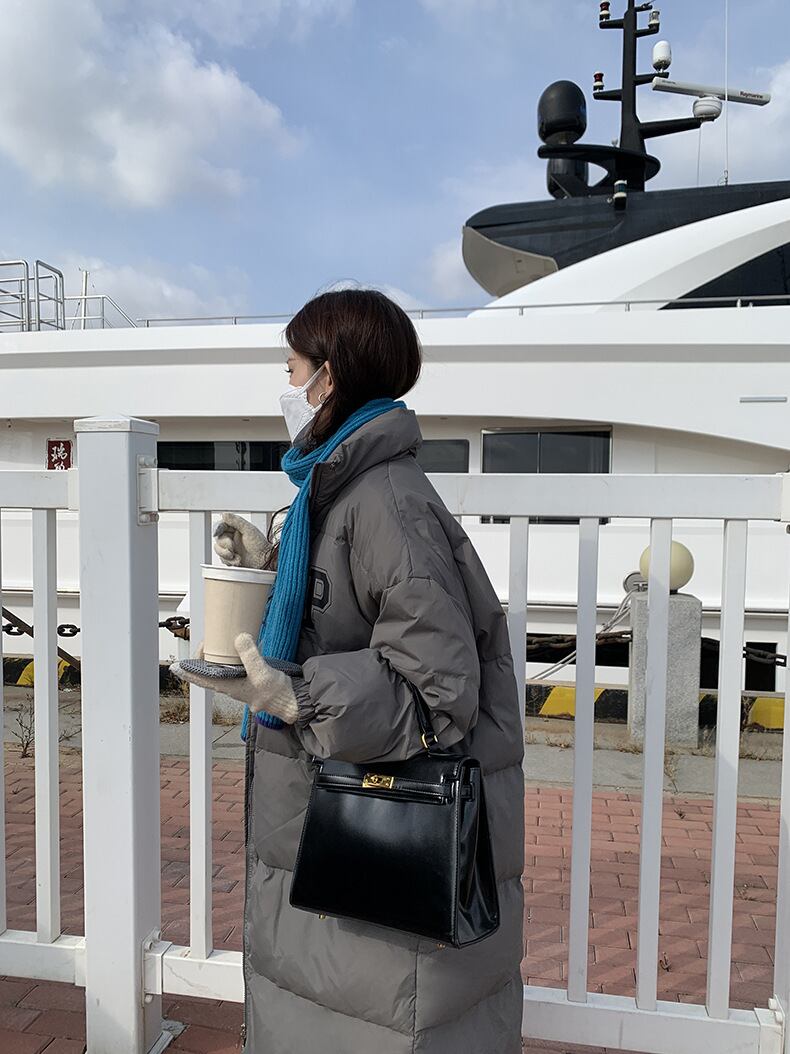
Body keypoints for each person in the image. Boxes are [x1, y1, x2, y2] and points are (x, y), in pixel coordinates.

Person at [172, 288, 525, 1053]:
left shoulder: (383, 501)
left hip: (370, 841)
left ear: (328, 377)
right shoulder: (339, 492)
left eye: (293, 368)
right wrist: (270, 572)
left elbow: (438, 691)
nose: (288, 385)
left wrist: (297, 695)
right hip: (327, 827)